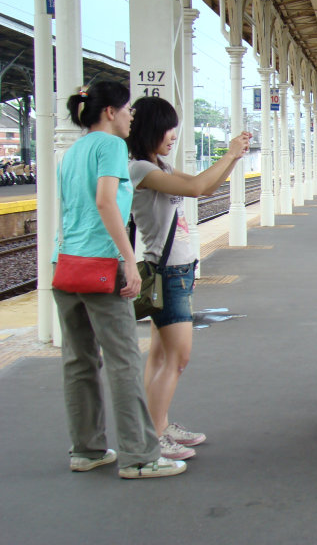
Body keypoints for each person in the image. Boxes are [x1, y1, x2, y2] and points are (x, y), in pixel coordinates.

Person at [53, 82, 186, 479]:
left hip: (66, 265)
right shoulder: (109, 146)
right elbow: (105, 201)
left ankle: (87, 450)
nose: (131, 117)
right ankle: (140, 456)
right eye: (127, 110)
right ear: (109, 112)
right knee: (124, 360)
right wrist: (128, 261)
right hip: (100, 265)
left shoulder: (72, 151)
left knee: (79, 362)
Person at [127, 96, 251, 461]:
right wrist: (228, 154)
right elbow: (196, 189)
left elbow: (205, 185)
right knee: (178, 358)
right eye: (168, 128)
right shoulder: (140, 170)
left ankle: (158, 424)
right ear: (150, 128)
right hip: (167, 273)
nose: (173, 136)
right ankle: (152, 436)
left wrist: (234, 158)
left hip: (177, 271)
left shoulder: (157, 166)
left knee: (162, 355)